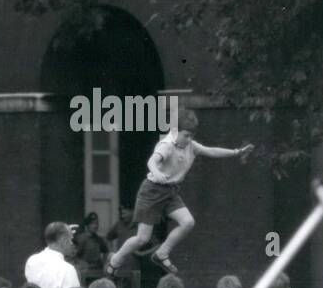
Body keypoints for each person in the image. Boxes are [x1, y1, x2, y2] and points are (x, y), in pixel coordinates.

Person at [105, 109, 253, 275]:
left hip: (170, 192)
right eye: (186, 135)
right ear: (175, 131)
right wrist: (157, 172)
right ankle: (115, 259)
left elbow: (211, 151)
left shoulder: (190, 145)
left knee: (188, 222)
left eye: (191, 136)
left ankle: (162, 252)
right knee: (142, 238)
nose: (189, 139)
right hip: (152, 192)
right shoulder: (166, 145)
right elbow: (152, 161)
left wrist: (236, 152)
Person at [25, 224, 81, 288]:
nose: (71, 243)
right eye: (70, 239)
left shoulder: (31, 261)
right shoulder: (68, 269)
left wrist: (63, 231)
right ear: (63, 240)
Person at [74, 213, 111, 282]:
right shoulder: (81, 239)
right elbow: (75, 256)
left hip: (98, 272)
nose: (95, 226)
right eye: (93, 223)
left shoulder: (99, 239)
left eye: (97, 223)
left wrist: (104, 263)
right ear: (87, 225)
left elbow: (106, 251)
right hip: (85, 273)